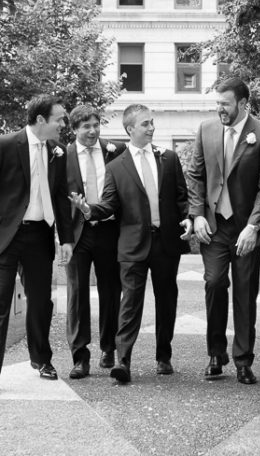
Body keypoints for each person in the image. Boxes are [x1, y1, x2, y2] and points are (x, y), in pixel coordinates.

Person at [0, 94, 73, 396]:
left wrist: (67, 239)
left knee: (40, 302)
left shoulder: (59, 151)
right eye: (59, 118)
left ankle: (41, 360)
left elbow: (61, 198)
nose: (64, 124)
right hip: (3, 237)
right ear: (40, 120)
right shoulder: (4, 144)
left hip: (39, 236)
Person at [71, 105, 192, 382]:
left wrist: (188, 219)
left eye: (152, 123)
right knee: (130, 303)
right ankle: (123, 361)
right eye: (145, 124)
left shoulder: (169, 158)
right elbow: (110, 203)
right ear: (130, 130)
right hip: (132, 245)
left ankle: (164, 356)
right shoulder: (116, 166)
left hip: (165, 244)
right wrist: (89, 211)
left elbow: (181, 197)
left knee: (166, 300)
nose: (151, 128)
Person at [188, 77, 260, 385]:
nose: (220, 110)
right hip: (213, 228)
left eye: (225, 104)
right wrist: (197, 215)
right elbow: (196, 176)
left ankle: (243, 360)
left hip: (246, 228)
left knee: (245, 292)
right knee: (214, 284)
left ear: (243, 104)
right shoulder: (206, 130)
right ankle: (216, 354)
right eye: (217, 103)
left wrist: (254, 226)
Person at [63, 105, 126, 379]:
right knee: (77, 294)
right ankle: (80, 356)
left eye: (95, 125)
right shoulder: (61, 155)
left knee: (111, 291)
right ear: (74, 129)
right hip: (77, 233)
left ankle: (109, 347)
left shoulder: (116, 150)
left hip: (109, 230)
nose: (92, 131)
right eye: (85, 126)